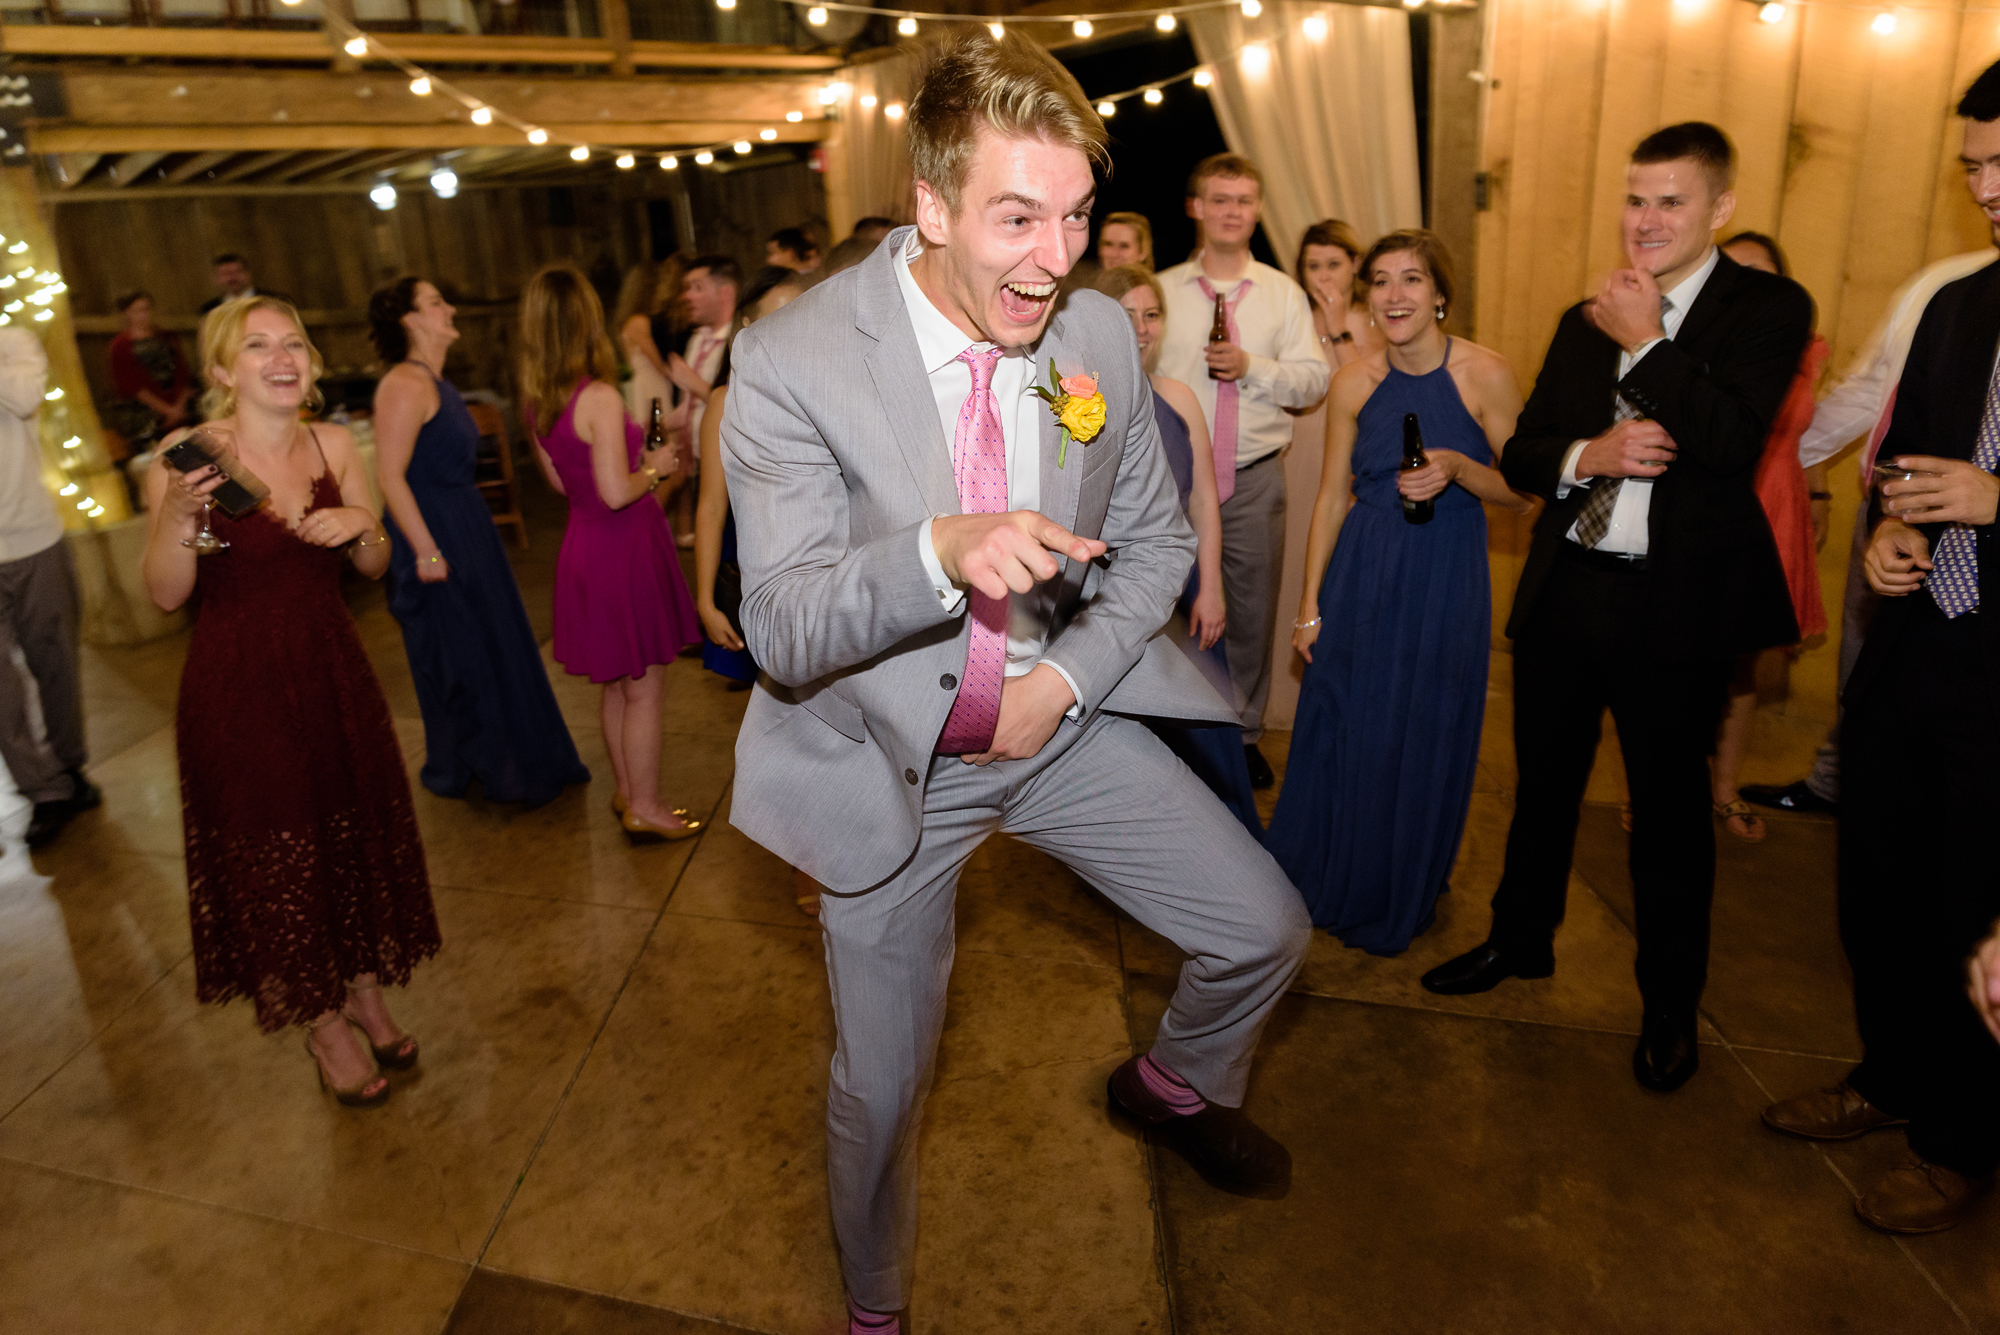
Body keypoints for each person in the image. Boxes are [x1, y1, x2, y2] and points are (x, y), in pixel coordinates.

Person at [720, 35, 1310, 1335]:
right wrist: (937, 550)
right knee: (881, 1088)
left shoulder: (1094, 326)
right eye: (1016, 217)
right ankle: (875, 1302)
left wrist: (1072, 681)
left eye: (1078, 214)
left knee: (1264, 929)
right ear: (931, 207)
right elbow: (781, 625)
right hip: (892, 766)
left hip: (1057, 722)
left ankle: (1171, 1082)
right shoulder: (788, 362)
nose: (1056, 256)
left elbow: (1153, 544)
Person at [1419, 123, 1811, 1097]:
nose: (1643, 221)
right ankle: (1520, 941)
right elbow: (1522, 453)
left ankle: (1669, 1008)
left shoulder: (1765, 307)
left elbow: (1725, 441)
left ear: (1717, 208)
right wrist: (1581, 458)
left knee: (1669, 817)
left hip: (1672, 608)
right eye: (1634, 199)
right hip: (1570, 589)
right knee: (1541, 787)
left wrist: (1646, 342)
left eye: (1668, 202)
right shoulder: (1580, 313)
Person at [1760, 64, 2000, 1235]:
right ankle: (1889, 1077)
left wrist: (1997, 502)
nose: (1985, 188)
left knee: (1975, 907)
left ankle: (1961, 1140)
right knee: (1877, 886)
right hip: (1913, 644)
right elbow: (1902, 455)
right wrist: (1888, 536)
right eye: (1970, 167)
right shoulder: (1957, 303)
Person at [139, 297, 436, 1107]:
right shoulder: (189, 452)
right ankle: (323, 1022)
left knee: (348, 832)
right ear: (221, 371)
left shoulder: (335, 441)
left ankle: (364, 990)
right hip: (239, 685)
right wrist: (175, 511)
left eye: (293, 343)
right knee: (282, 853)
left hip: (333, 669)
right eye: (257, 345)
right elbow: (166, 594)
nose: (281, 357)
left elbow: (374, 565)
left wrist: (361, 519)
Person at [1269, 230, 1529, 954]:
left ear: (1440, 293)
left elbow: (1523, 492)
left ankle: (1399, 881)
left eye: (1411, 280)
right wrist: (1309, 606)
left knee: (1424, 727)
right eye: (1379, 282)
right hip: (1365, 564)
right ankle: (1332, 870)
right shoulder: (1352, 381)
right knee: (1349, 722)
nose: (1394, 296)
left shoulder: (1487, 374)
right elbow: (1327, 500)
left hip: (1446, 574)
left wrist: (1459, 468)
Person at [1738, 245, 1999, 818]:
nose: (1984, 191)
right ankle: (1844, 783)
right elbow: (1870, 395)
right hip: (1903, 514)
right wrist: (1884, 516)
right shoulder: (1945, 287)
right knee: (1870, 672)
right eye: (1973, 169)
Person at [369, 276, 589, 807]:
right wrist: (426, 551)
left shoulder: (435, 381)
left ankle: (507, 754)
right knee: (461, 653)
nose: (449, 308)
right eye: (435, 302)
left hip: (465, 525)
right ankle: (488, 764)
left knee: (491, 645)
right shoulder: (403, 383)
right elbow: (390, 476)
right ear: (410, 321)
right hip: (434, 531)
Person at [1156, 154, 1331, 788]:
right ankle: (1175, 732)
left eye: (1245, 200)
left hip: (1255, 475)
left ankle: (1245, 732)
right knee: (1167, 606)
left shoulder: (1283, 293)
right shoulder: (1163, 292)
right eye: (1220, 198)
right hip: (1172, 479)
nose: (1233, 211)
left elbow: (1314, 380)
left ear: (1258, 209)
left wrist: (1253, 366)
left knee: (1252, 613)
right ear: (1196, 207)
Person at [520, 262, 702, 844]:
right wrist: (656, 467)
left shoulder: (538, 399)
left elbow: (560, 483)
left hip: (583, 545)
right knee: (644, 685)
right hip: (622, 547)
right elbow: (617, 490)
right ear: (586, 323)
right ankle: (646, 805)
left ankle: (628, 793)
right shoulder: (596, 395)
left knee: (617, 685)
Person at [1094, 262, 1259, 836]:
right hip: (1109, 591)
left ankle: (1224, 845)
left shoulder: (1181, 397)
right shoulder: (1078, 404)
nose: (1141, 328)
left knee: (1202, 726)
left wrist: (1209, 588)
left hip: (1183, 590)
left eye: (1151, 314)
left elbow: (1205, 502)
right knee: (1129, 736)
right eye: (1125, 314)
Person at [1702, 232, 1828, 843]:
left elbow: (1813, 427)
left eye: (1765, 275)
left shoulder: (1798, 349)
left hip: (1774, 506)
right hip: (1705, 506)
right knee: (1674, 655)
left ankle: (1724, 790)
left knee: (1745, 663)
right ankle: (1647, 789)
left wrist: (1821, 492)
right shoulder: (1693, 344)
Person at [0, 329, 97, 849]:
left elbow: (25, 396)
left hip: (35, 537)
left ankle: (69, 767)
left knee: (54, 661)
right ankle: (43, 791)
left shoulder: (14, 340)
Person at [663, 254, 739, 548]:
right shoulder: (697, 340)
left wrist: (692, 383)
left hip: (731, 468)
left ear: (726, 292)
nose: (687, 296)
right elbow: (689, 408)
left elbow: (737, 405)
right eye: (686, 287)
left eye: (696, 287)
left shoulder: (740, 338)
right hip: (698, 466)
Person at [1295, 219, 1385, 375]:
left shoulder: (1375, 319)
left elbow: (1365, 388)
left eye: (1333, 265)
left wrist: (1338, 329)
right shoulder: (1292, 316)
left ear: (1356, 264)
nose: (1323, 277)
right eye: (1313, 266)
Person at [106, 290, 195, 445]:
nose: (144, 315)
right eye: (138, 311)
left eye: (147, 309)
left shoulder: (167, 337)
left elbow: (182, 371)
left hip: (177, 400)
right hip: (146, 409)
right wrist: (167, 410)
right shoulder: (120, 346)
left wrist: (179, 407)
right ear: (127, 313)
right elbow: (132, 385)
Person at [612, 262, 675, 430]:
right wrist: (672, 374)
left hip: (641, 382)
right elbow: (653, 357)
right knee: (660, 430)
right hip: (652, 383)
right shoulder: (639, 321)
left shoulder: (629, 321)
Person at [197, 253, 273, 315]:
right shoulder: (209, 310)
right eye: (226, 274)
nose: (232, 278)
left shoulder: (271, 300)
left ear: (248, 273)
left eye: (237, 272)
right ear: (216, 278)